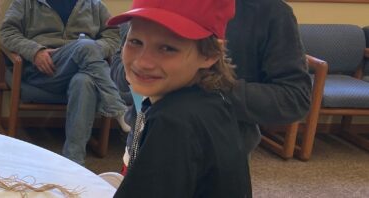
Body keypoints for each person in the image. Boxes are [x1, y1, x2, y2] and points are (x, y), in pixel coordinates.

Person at [115, 0, 313, 171]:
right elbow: (118, 68)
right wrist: (141, 74)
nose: (145, 60)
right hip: (142, 140)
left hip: (215, 156)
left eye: (168, 48)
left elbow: (295, 98)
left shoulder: (269, 12)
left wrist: (204, 85)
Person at [107, 0, 252, 196]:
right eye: (135, 42)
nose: (143, 62)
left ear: (210, 54)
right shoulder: (214, 100)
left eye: (167, 48)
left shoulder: (172, 121)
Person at [0, 0, 125, 164]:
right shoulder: (25, 3)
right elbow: (7, 33)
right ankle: (117, 106)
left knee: (84, 80)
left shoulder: (94, 5)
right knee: (85, 47)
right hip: (42, 70)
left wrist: (94, 50)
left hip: (82, 68)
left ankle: (73, 161)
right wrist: (34, 51)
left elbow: (113, 35)